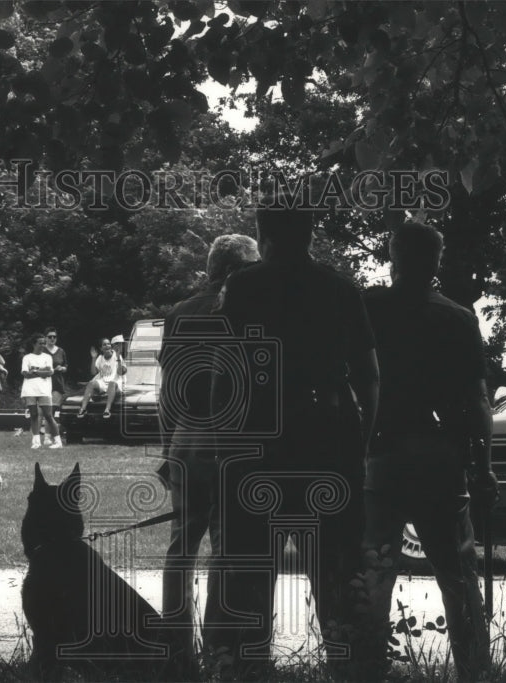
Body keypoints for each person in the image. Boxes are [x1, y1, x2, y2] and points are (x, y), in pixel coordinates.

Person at [211, 197, 380, 678]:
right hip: (327, 436)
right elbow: (368, 375)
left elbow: (227, 370)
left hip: (257, 443)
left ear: (263, 237)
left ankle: (247, 663)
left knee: (250, 563)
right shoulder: (341, 289)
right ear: (309, 236)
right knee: (336, 562)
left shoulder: (243, 286)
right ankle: (348, 662)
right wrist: (361, 440)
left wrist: (226, 442)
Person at [361, 222, 497, 681]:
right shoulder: (458, 318)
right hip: (441, 458)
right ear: (436, 260)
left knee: (376, 569)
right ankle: (474, 671)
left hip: (380, 456)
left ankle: (365, 668)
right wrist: (485, 465)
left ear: (393, 256)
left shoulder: (369, 307)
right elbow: (477, 400)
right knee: (458, 576)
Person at [157, 234, 260, 677]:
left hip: (186, 437)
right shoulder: (246, 309)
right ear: (239, 267)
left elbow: (168, 393)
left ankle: (176, 650)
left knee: (181, 547)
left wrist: (168, 447)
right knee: (226, 549)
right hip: (231, 441)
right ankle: (219, 652)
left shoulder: (180, 313)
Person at [21, 333, 62, 449]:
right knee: (34, 415)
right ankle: (36, 442)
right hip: (30, 390)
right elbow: (25, 374)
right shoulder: (27, 357)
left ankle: (58, 442)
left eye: (44, 343)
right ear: (34, 344)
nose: (43, 345)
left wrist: (34, 370)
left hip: (44, 390)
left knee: (48, 415)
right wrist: (42, 372)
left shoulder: (47, 357)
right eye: (40, 343)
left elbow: (50, 372)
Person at [77, 337, 126, 419]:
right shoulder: (100, 358)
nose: (107, 346)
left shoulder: (117, 355)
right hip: (103, 383)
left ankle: (107, 409)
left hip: (115, 383)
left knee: (111, 383)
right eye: (104, 345)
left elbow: (120, 372)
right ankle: (83, 409)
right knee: (91, 383)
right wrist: (93, 358)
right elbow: (93, 372)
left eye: (108, 344)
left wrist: (118, 358)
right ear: (101, 348)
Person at [44, 326, 69, 427]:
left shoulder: (61, 351)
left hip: (57, 382)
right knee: (45, 408)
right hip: (44, 382)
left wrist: (62, 369)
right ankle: (45, 431)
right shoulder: (41, 350)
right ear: (45, 338)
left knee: (53, 408)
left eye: (54, 337)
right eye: (50, 337)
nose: (52, 339)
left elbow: (66, 366)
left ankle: (49, 432)